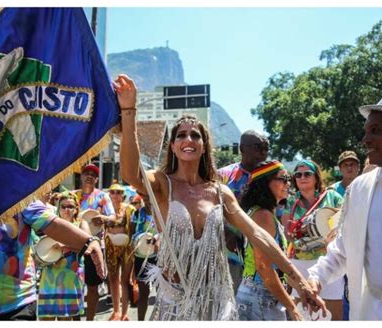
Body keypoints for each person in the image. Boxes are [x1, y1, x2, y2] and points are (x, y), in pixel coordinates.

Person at [114, 73, 325, 320]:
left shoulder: (219, 192)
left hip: (216, 301)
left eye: (195, 135)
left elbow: (257, 235)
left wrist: (300, 282)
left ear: (204, 145)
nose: (188, 139)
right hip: (174, 303)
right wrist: (129, 110)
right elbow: (130, 174)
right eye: (180, 135)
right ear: (172, 146)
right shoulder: (161, 184)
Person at [307, 90, 382, 320]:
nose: (365, 140)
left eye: (376, 131)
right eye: (366, 131)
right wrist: (315, 278)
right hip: (375, 314)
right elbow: (343, 250)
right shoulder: (359, 189)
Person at [0, 196, 105, 320]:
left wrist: (89, 241)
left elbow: (51, 223)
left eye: (70, 206)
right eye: (64, 206)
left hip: (16, 303)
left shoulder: (16, 191)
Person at [236, 160, 302, 320]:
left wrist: (301, 290)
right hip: (259, 298)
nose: (288, 184)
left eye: (289, 179)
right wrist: (291, 307)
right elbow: (264, 266)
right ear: (265, 183)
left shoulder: (262, 213)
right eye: (283, 179)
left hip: (260, 297)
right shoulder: (263, 216)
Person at [281, 159, 344, 320]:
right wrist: (299, 233)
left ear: (316, 177)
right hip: (299, 262)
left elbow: (344, 221)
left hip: (329, 261)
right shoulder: (291, 201)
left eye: (307, 173)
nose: (303, 177)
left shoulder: (332, 196)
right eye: (298, 175)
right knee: (302, 313)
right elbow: (287, 233)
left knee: (332, 313)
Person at [218, 130, 269, 294]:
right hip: (230, 255)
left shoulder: (272, 176)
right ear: (242, 149)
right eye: (258, 147)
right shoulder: (224, 176)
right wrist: (226, 233)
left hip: (263, 254)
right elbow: (208, 210)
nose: (263, 152)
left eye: (266, 148)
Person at [37, 191, 90, 320]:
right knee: (46, 319)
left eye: (71, 206)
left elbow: (88, 248)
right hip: (49, 277)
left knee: (65, 318)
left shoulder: (81, 224)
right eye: (63, 206)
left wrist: (65, 246)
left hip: (70, 279)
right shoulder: (51, 225)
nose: (67, 209)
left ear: (76, 209)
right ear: (58, 208)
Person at [75, 163, 115, 321]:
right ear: (81, 176)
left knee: (92, 287)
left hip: (95, 247)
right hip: (74, 245)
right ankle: (75, 319)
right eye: (86, 173)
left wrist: (104, 218)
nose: (90, 176)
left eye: (93, 174)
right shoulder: (73, 196)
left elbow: (113, 218)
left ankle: (90, 321)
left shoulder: (102, 197)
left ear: (97, 179)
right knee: (74, 286)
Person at [328, 150, 361, 320]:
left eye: (353, 164)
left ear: (358, 167)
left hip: (361, 247)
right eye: (345, 165)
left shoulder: (367, 187)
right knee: (340, 292)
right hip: (339, 247)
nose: (349, 168)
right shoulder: (331, 192)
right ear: (340, 168)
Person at [105, 183, 136, 321]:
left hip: (126, 247)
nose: (116, 195)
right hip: (110, 246)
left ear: (122, 195)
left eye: (118, 192)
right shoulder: (106, 209)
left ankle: (125, 313)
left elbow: (134, 227)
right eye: (113, 192)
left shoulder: (129, 209)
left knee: (124, 280)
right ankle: (116, 311)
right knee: (112, 279)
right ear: (109, 194)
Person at [131, 193, 159, 321]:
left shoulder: (161, 212)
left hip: (159, 256)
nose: (148, 199)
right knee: (143, 293)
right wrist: (136, 242)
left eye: (150, 196)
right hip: (141, 257)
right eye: (145, 197)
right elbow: (131, 234)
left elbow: (167, 232)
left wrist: (157, 239)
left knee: (162, 293)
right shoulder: (136, 214)